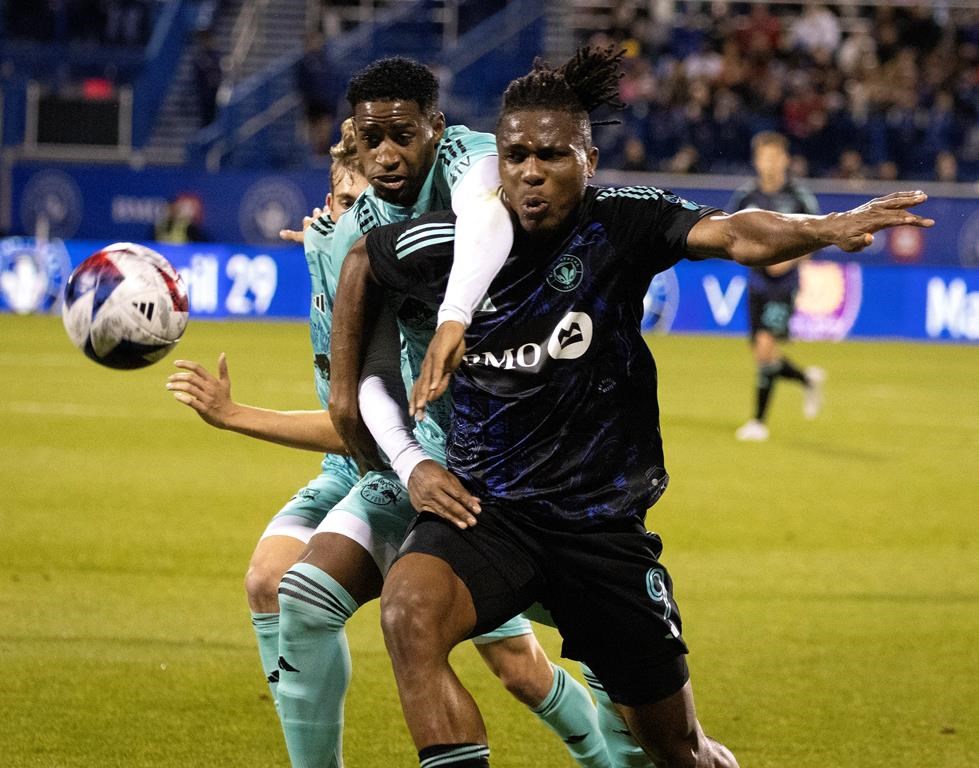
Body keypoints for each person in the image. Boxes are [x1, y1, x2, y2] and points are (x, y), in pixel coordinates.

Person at [328, 46, 933, 767]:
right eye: (515, 154)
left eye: (550, 155)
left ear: (587, 158)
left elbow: (734, 231)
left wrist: (820, 229)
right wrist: (358, 404)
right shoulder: (459, 243)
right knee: (408, 611)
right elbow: (365, 259)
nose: (527, 170)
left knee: (677, 749)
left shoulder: (620, 221)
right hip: (489, 514)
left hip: (600, 532)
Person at [170, 64, 614, 768]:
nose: (366, 180)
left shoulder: (468, 167)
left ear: (431, 132)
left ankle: (612, 749)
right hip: (391, 459)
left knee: (542, 657)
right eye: (344, 184)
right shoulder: (340, 241)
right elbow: (358, 399)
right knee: (291, 588)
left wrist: (450, 320)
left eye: (395, 140)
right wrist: (401, 459)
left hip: (499, 457)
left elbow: (479, 204)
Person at [728, 131, 825, 442]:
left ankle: (758, 422)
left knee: (767, 347)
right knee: (762, 354)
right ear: (756, 161)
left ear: (785, 159)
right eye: (764, 157)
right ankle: (807, 379)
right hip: (756, 281)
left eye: (775, 156)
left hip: (784, 285)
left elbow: (818, 235)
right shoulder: (746, 197)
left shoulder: (799, 197)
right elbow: (729, 233)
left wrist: (790, 259)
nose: (769, 163)